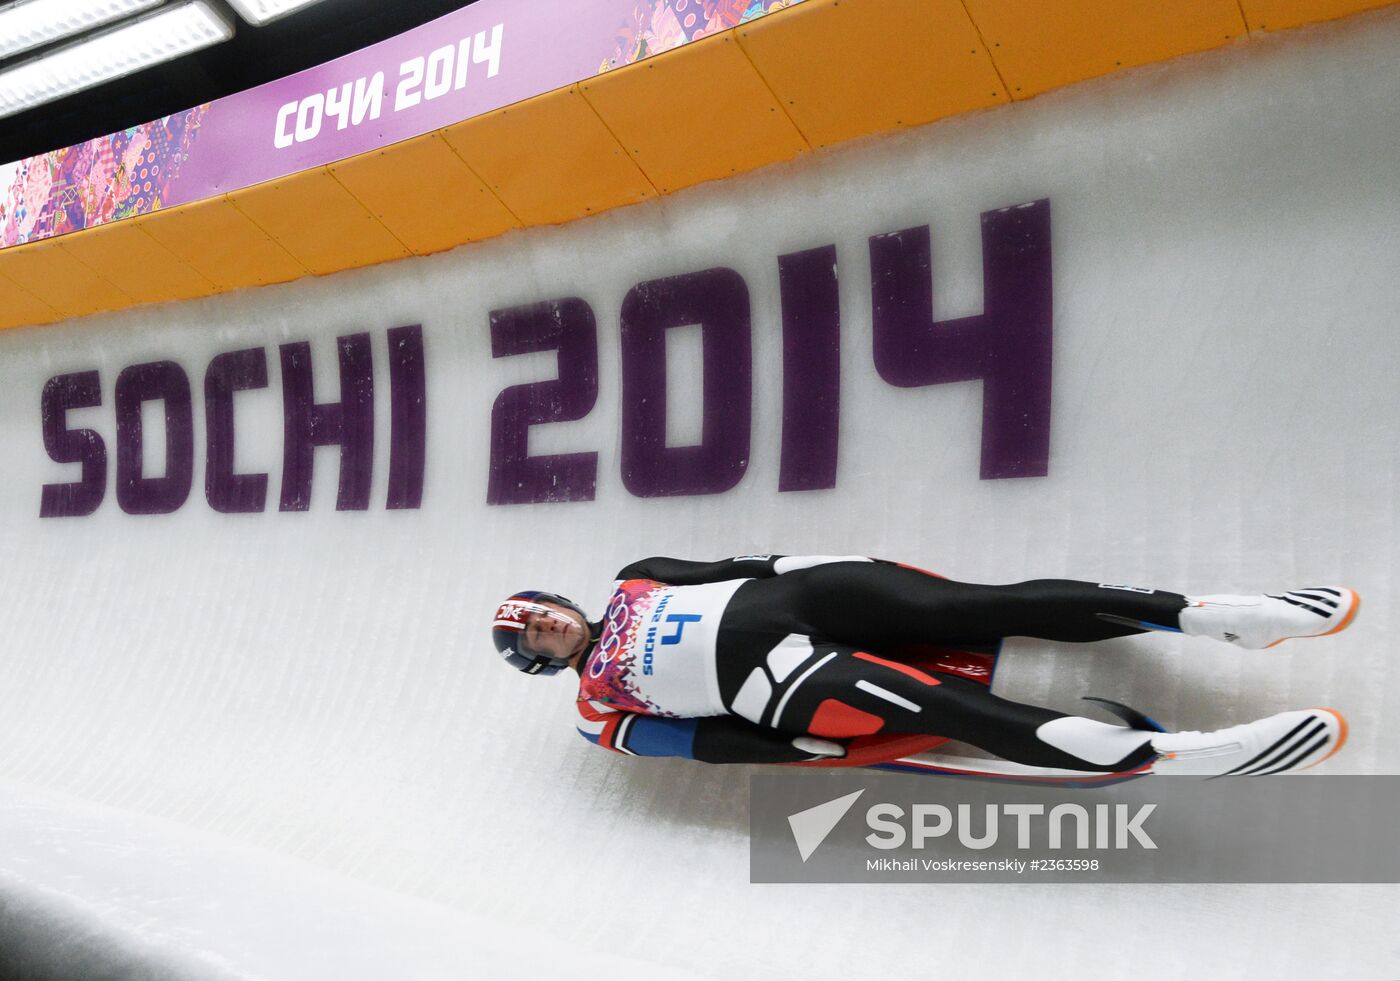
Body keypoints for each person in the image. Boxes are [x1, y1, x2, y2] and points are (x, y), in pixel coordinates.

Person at [491, 555, 1357, 776]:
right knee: (943, 704)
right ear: (539, 661)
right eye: (531, 634)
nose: (544, 623)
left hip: (804, 599)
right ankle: (1170, 754)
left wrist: (818, 562)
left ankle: (1214, 616)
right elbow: (700, 747)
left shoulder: (634, 574)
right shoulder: (597, 711)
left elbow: (738, 564)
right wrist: (790, 754)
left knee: (977, 605)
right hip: (780, 685)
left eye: (536, 608)